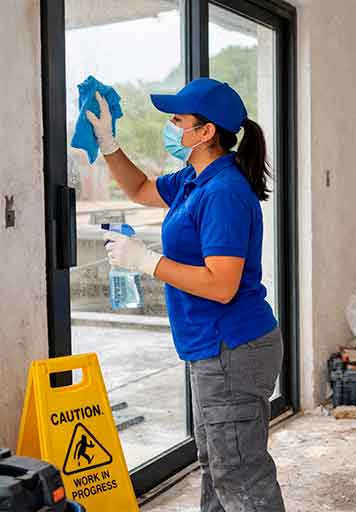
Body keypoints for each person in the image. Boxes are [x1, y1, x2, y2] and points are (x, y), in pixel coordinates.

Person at [87, 78, 285, 511]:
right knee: (217, 464)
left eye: (178, 120)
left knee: (239, 474)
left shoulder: (224, 192)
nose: (171, 127)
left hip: (232, 346)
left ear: (206, 131)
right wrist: (108, 142)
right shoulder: (194, 180)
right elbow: (140, 189)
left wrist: (147, 262)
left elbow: (221, 283)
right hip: (212, 346)